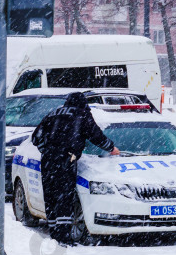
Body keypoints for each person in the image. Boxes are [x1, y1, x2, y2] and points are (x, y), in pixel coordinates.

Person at [31, 92, 119, 245]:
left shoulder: (53, 113)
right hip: (66, 159)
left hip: (48, 161)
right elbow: (95, 135)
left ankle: (54, 233)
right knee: (64, 197)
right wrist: (111, 147)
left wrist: (47, 150)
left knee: (51, 196)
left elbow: (35, 138)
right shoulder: (82, 114)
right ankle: (63, 238)